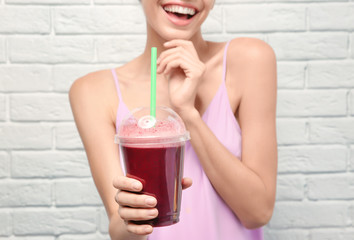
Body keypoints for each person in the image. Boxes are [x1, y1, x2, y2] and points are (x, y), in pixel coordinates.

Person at [69, 0, 278, 239]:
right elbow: (119, 229)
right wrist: (131, 219)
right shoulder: (93, 91)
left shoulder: (248, 60)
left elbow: (257, 213)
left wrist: (188, 113)